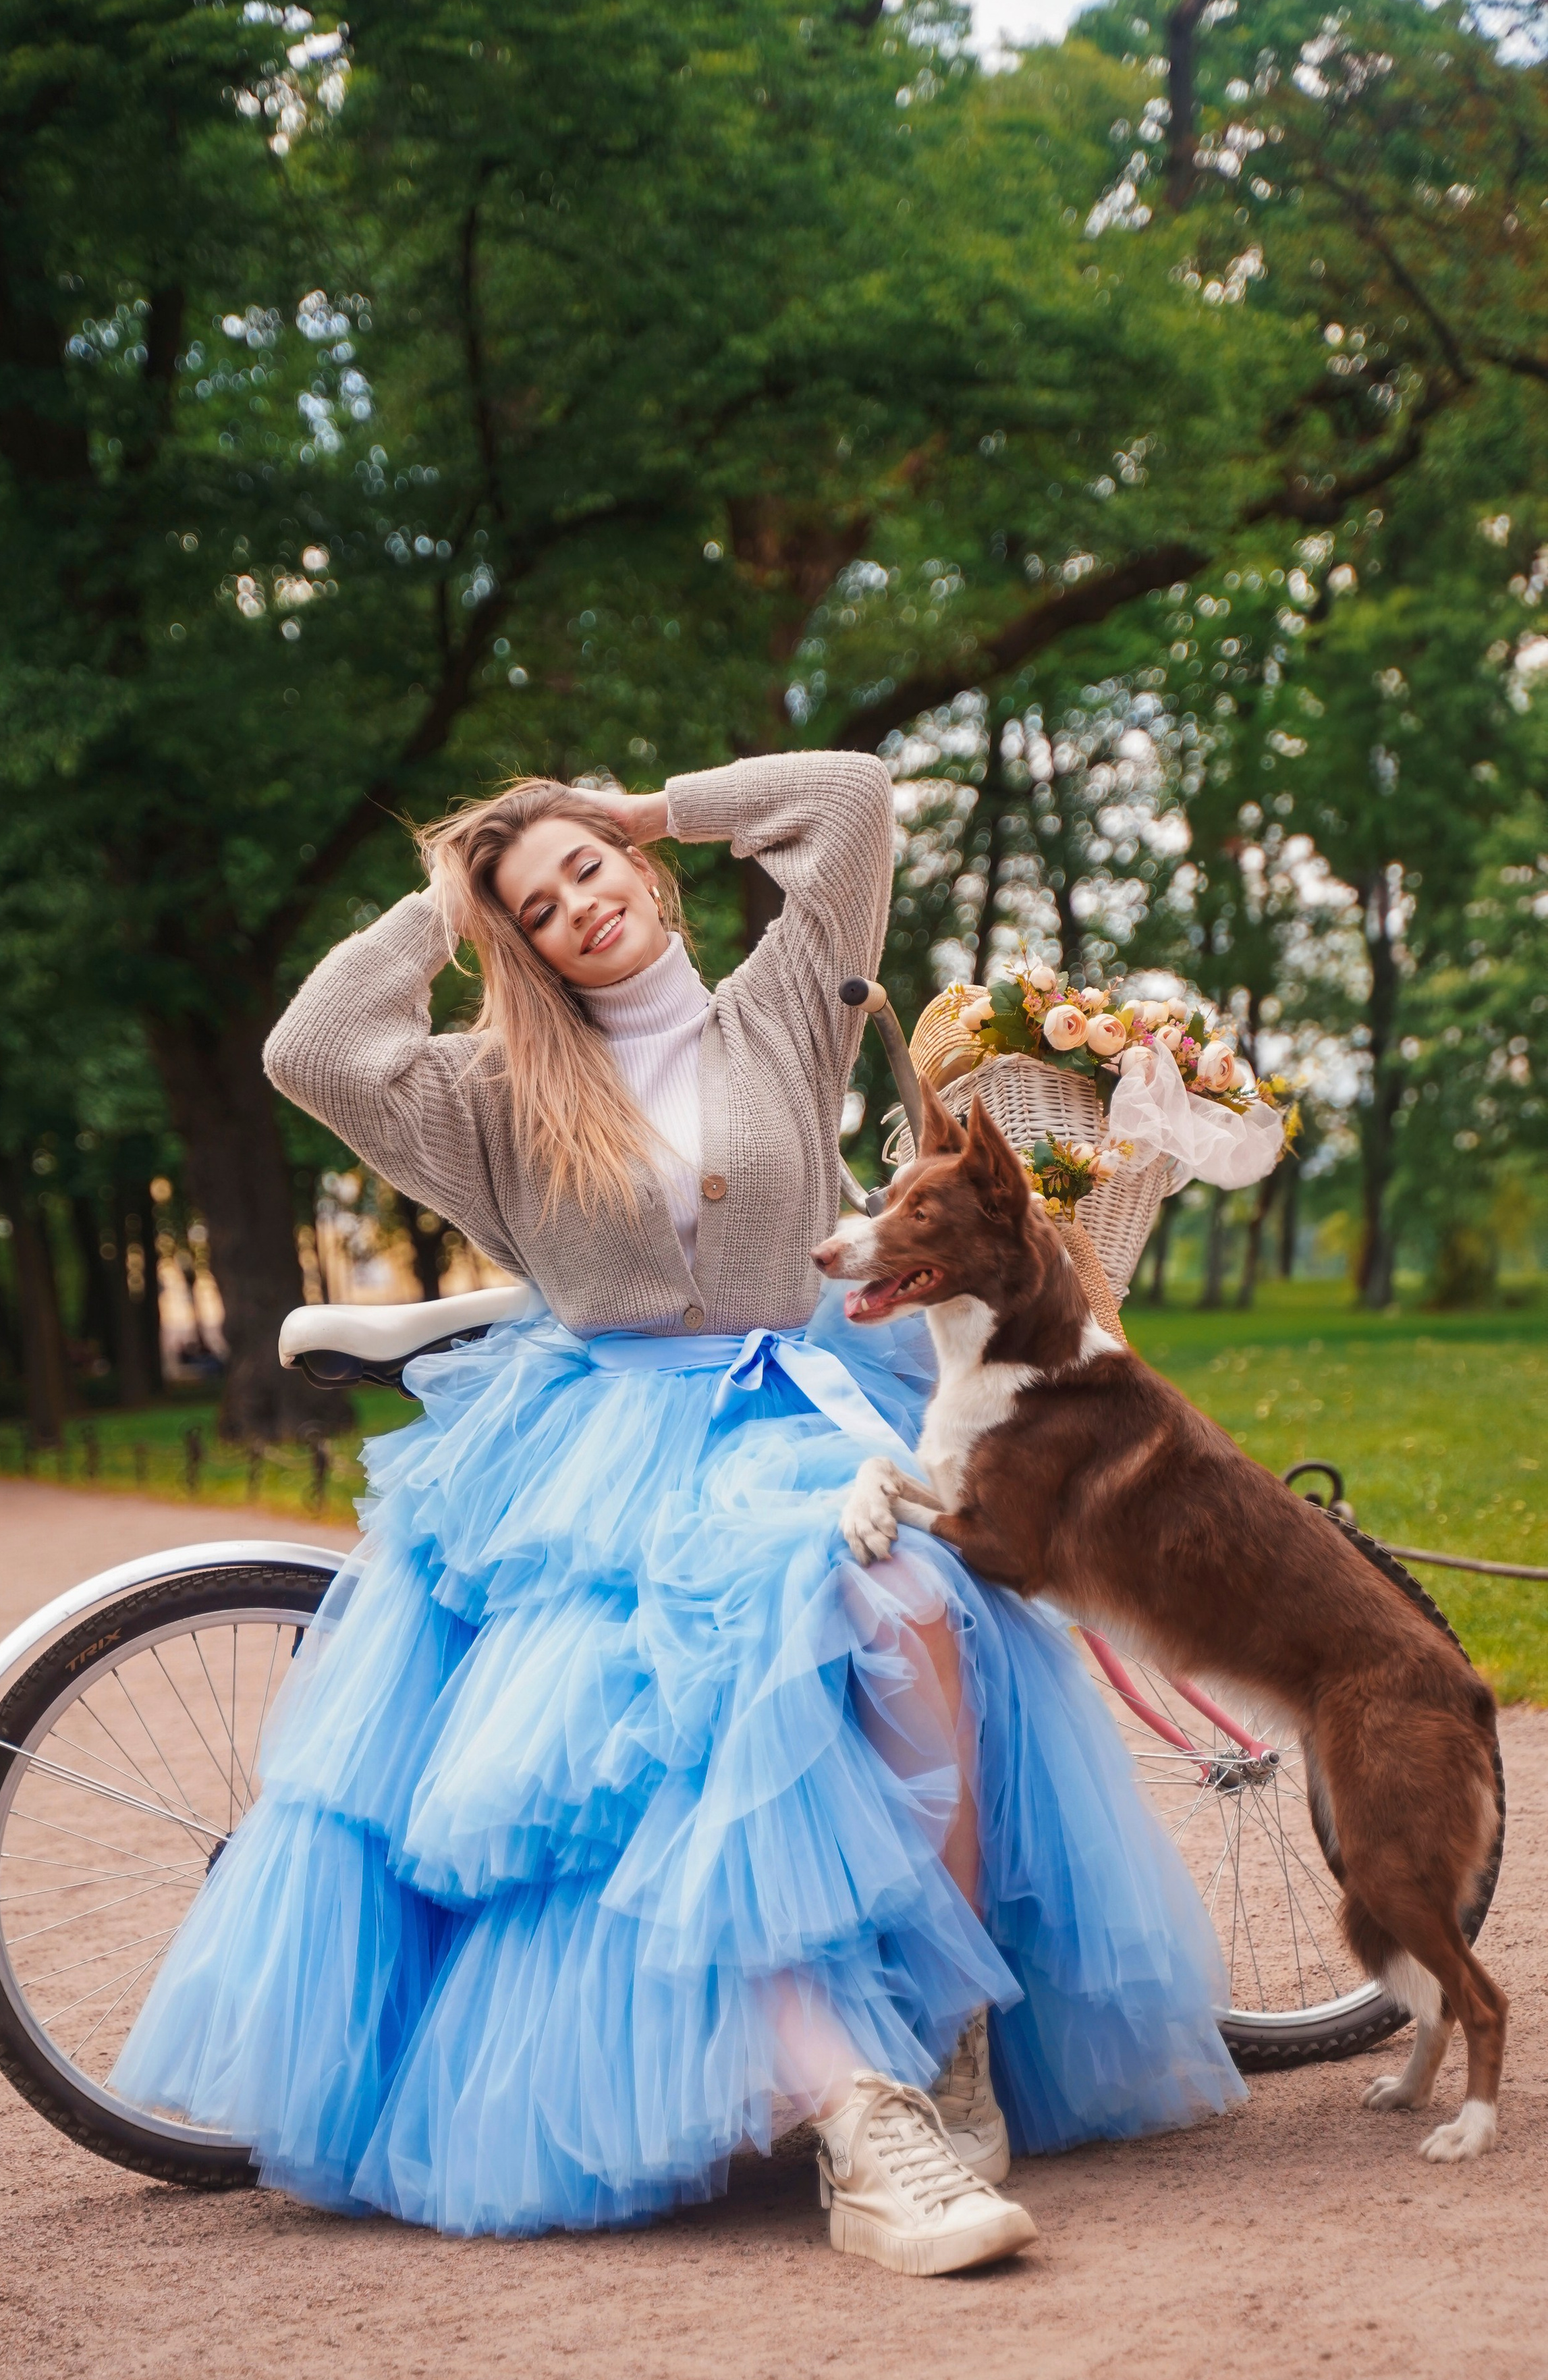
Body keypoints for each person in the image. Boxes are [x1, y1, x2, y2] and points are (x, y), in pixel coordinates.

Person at [113, 751, 1242, 2275]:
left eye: (592, 873)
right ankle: (857, 2126)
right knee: (707, 1689)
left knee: (916, 1611)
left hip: (810, 1407)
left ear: (643, 882)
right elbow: (310, 1048)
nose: (577, 903)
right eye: (537, 903)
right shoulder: (485, 1096)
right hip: (616, 1447)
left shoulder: (780, 1005)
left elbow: (847, 799)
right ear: (512, 940)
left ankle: (950, 2028)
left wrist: (642, 809)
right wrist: (442, 905)